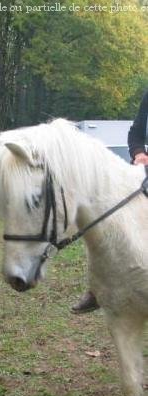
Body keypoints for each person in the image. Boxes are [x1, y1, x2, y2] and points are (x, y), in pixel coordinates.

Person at [71, 90, 148, 314]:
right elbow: (135, 133)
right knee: (105, 215)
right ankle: (97, 288)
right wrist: (138, 152)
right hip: (144, 173)